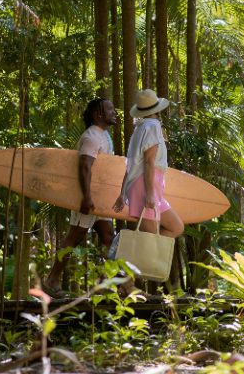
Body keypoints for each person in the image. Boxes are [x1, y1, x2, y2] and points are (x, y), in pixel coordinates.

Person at [42, 98, 118, 298]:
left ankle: (106, 283)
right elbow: (84, 166)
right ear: (98, 114)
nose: (114, 112)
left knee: (108, 238)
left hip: (99, 198)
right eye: (110, 109)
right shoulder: (91, 137)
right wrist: (86, 197)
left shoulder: (104, 135)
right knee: (74, 237)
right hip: (87, 197)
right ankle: (51, 281)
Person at [113, 89, 184, 239]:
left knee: (176, 227)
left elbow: (132, 164)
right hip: (146, 186)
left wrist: (122, 192)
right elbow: (148, 161)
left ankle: (144, 252)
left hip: (146, 184)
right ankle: (136, 253)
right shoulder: (152, 127)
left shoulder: (140, 128)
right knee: (150, 239)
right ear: (157, 109)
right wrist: (150, 194)